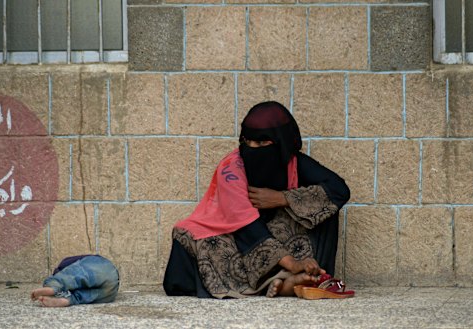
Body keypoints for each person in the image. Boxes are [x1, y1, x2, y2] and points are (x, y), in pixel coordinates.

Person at [163, 101, 350, 298]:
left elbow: (339, 190)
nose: (252, 149)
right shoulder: (232, 168)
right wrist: (292, 263)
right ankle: (287, 282)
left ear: (281, 142)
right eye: (247, 142)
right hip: (239, 239)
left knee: (325, 204)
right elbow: (246, 226)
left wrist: (282, 198)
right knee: (187, 235)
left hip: (284, 241)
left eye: (261, 143)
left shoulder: (294, 163)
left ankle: (307, 279)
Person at [30, 254, 120, 307]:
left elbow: (71, 273)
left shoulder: (65, 263)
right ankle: (67, 300)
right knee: (78, 296)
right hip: (110, 294)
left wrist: (56, 278)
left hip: (105, 268)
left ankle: (55, 285)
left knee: (71, 278)